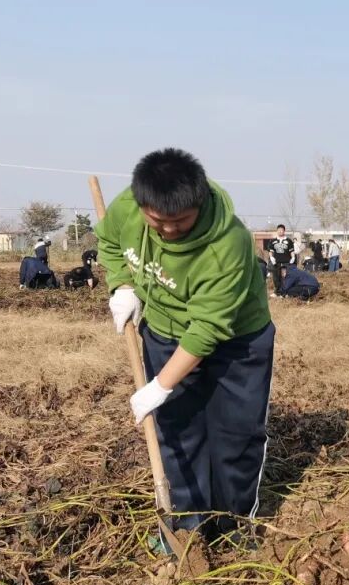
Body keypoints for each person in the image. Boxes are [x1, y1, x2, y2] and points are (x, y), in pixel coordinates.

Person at [95, 148, 274, 547]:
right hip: (162, 330)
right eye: (157, 221)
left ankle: (234, 525)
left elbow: (207, 330)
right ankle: (186, 526)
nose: (168, 230)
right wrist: (121, 285)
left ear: (200, 201)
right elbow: (108, 243)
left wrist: (159, 386)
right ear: (143, 204)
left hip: (235, 341)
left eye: (180, 221)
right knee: (177, 431)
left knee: (236, 434)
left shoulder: (228, 243)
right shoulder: (129, 207)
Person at [268, 225, 296, 296]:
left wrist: (293, 257)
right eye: (279, 230)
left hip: (286, 262)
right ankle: (277, 292)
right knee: (276, 277)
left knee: (285, 277)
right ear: (277, 231)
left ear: (284, 231)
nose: (280, 231)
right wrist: (271, 257)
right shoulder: (273, 241)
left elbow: (291, 251)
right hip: (276, 262)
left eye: (282, 230)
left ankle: (285, 292)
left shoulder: (289, 241)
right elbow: (270, 251)